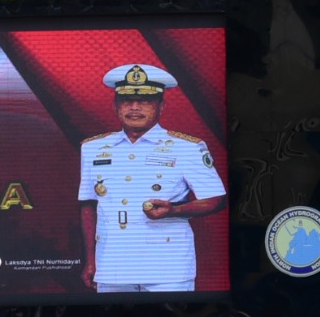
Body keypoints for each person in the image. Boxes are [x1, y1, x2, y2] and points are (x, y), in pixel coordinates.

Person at [79, 63, 225, 293]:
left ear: (161, 106)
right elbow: (89, 205)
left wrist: (174, 210)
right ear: (116, 105)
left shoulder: (186, 147)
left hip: (167, 265)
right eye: (127, 101)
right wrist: (91, 260)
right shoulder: (93, 148)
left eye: (145, 101)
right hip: (113, 263)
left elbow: (216, 199)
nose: (134, 108)